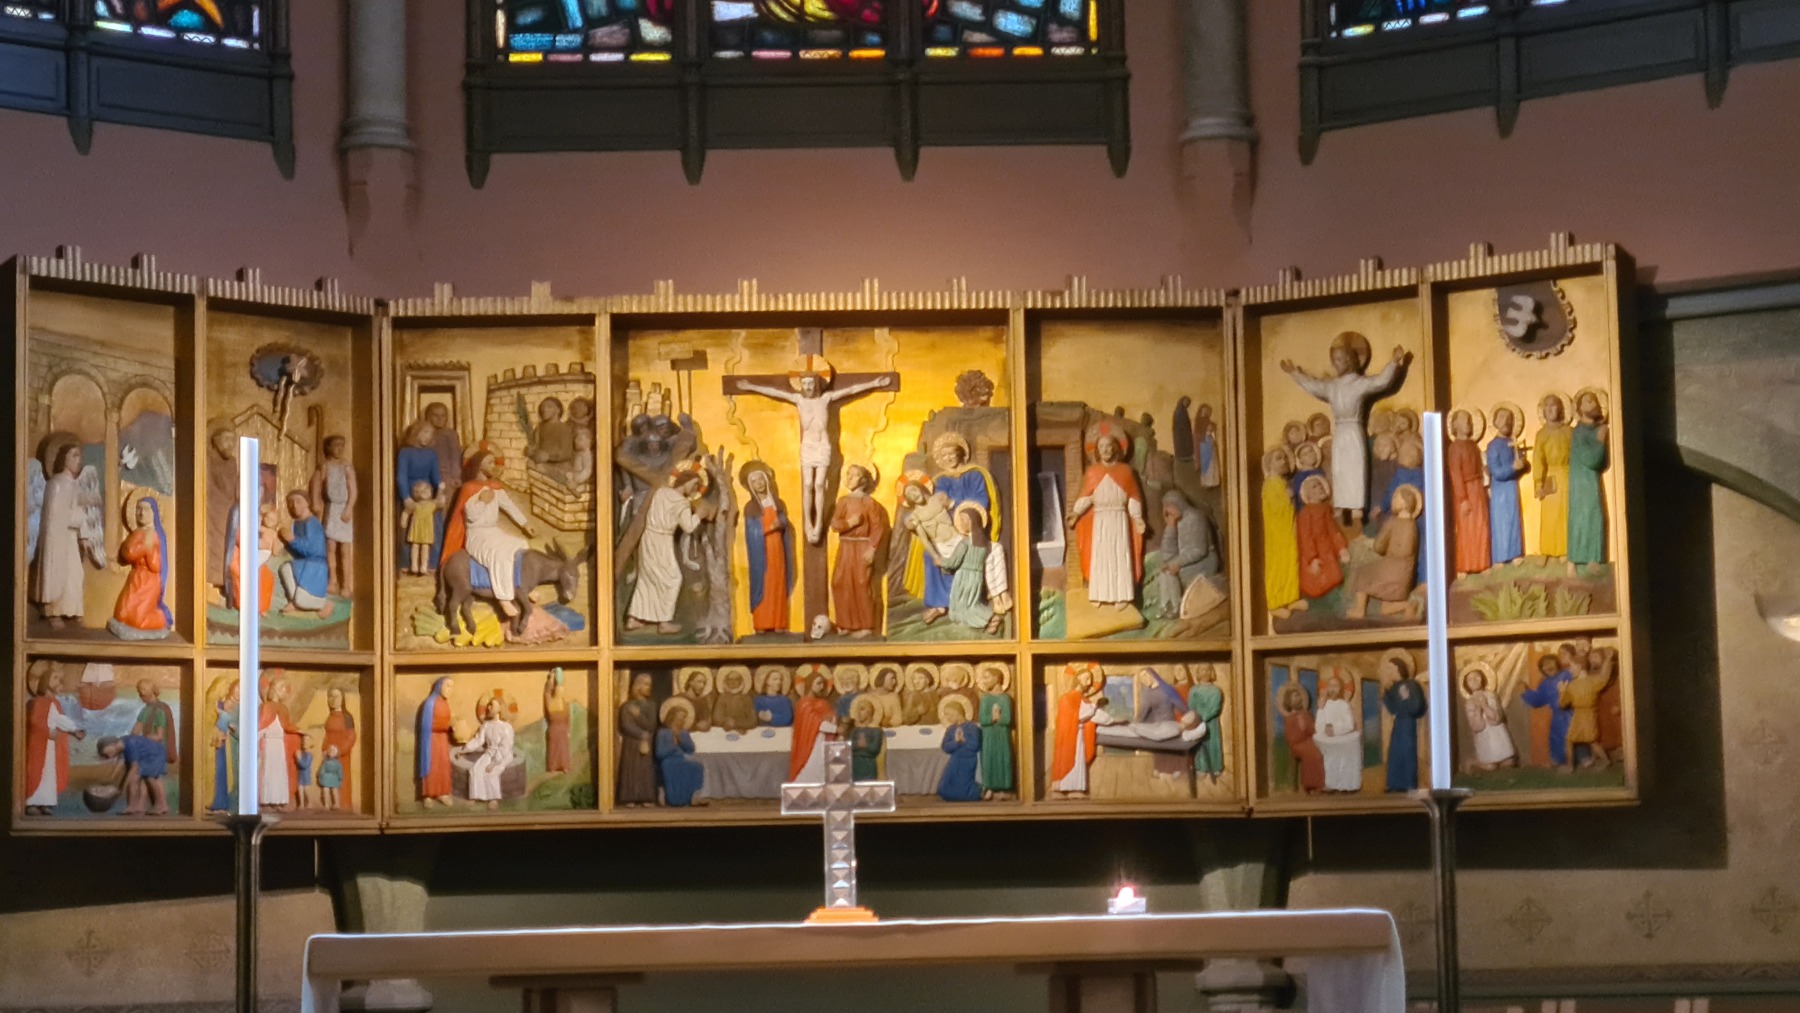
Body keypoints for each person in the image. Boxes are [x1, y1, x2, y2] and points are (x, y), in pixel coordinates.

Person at [731, 365, 895, 544]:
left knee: (819, 484)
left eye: (811, 383)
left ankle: (817, 525)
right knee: (808, 483)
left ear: (817, 384)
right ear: (800, 385)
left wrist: (875, 383)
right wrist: (750, 386)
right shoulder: (799, 400)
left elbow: (851, 390)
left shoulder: (825, 399)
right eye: (805, 383)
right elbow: (775, 392)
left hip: (823, 446)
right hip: (808, 446)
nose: (808, 387)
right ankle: (808, 524)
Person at [1281, 332, 1410, 525]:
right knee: (1339, 471)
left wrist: (1394, 362)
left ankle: (1357, 511)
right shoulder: (1332, 386)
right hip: (1340, 431)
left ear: (1350, 360)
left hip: (1353, 430)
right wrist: (1294, 373)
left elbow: (1381, 381)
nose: (1337, 364)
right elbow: (1314, 385)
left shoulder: (1359, 384)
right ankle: (1341, 510)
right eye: (1334, 360)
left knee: (1355, 470)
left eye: (1340, 359)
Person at [921, 432, 1001, 623]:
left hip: (969, 526)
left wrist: (955, 506)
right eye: (944, 455)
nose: (949, 458)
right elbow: (935, 506)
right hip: (946, 529)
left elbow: (981, 500)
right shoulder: (941, 480)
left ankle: (966, 599)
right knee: (930, 555)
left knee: (961, 554)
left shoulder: (974, 475)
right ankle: (940, 604)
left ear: (960, 454)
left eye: (952, 453)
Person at [625, 463, 713, 635]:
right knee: (673, 579)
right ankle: (664, 622)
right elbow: (688, 527)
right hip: (662, 540)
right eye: (695, 484)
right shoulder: (682, 503)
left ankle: (634, 618)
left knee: (647, 577)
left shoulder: (661, 492)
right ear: (687, 481)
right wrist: (699, 515)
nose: (695, 488)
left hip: (648, 538)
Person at [1066, 425, 1146, 610]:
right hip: (1100, 520)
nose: (1106, 450)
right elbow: (1087, 496)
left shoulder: (1126, 472)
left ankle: (1122, 595)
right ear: (1097, 450)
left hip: (1119, 520)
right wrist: (1076, 513)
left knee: (1120, 557)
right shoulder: (1093, 472)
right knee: (1101, 558)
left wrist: (1137, 517)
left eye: (1109, 446)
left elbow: (1133, 498)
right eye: (1102, 447)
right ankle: (1099, 593)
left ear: (1116, 448)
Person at [34, 443, 97, 630]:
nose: (79, 460)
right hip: (57, 540)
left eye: (79, 456)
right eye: (74, 456)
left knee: (75, 575)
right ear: (63, 459)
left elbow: (80, 511)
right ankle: (53, 611)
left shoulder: (75, 485)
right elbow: (55, 516)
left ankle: (72, 610)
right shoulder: (56, 484)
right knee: (57, 574)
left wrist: (83, 537)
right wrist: (77, 518)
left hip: (71, 539)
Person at [458, 476, 536, 621]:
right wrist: (482, 501)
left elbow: (509, 505)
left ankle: (522, 586)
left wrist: (524, 523)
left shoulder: (495, 488)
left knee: (521, 544)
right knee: (499, 554)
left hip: (493, 531)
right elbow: (471, 516)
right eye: (491, 464)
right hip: (477, 535)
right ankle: (503, 597)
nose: (495, 468)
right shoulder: (471, 489)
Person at [829, 463, 891, 637]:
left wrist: (872, 549)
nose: (849, 478)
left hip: (862, 546)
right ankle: (845, 624)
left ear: (863, 480)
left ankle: (866, 626)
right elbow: (835, 524)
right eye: (848, 474)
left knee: (862, 584)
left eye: (854, 475)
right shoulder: (843, 501)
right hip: (846, 546)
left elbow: (878, 528)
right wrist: (850, 523)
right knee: (839, 582)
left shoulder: (869, 503)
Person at [921, 504, 999, 634]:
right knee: (972, 603)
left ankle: (989, 619)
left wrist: (940, 562)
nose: (961, 523)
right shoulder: (984, 543)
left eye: (964, 520)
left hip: (963, 579)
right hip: (976, 578)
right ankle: (990, 619)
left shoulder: (965, 542)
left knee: (961, 610)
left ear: (972, 522)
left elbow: (953, 562)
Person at [1351, 483, 1423, 620]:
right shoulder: (1413, 526)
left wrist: (1374, 545)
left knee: (1362, 573)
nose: (1393, 501)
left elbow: (1379, 547)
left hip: (1392, 570)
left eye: (1396, 498)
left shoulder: (1392, 522)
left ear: (1404, 503)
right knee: (1385, 609)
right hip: (1404, 575)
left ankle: (1359, 610)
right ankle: (1409, 605)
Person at [108, 493, 173, 640]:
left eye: (146, 509)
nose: (141, 513)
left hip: (149, 582)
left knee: (139, 620)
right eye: (138, 509)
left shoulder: (156, 535)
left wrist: (146, 551)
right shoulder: (138, 532)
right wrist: (143, 548)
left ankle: (162, 618)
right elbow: (127, 553)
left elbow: (156, 566)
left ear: (154, 513)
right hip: (136, 579)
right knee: (122, 614)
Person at [740, 461, 794, 635]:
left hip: (777, 548)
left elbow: (784, 522)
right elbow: (751, 532)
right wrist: (769, 527)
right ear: (750, 486)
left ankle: (779, 622)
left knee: (778, 583)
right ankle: (762, 623)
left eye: (761, 479)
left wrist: (782, 523)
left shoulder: (777, 503)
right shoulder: (751, 507)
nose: (759, 483)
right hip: (761, 553)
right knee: (764, 584)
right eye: (755, 481)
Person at [1147, 490, 1219, 619]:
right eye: (1165, 507)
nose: (1166, 510)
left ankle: (1176, 606)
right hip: (1185, 560)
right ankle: (1166, 606)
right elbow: (1167, 555)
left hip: (1204, 561)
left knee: (1172, 572)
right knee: (1165, 572)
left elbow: (1199, 550)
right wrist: (1170, 527)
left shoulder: (1195, 518)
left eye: (1169, 506)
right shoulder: (1176, 521)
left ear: (1178, 504)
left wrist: (1176, 564)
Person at [24, 663, 84, 815]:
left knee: (49, 774)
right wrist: (47, 732)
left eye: (59, 679)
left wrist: (75, 730)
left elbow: (60, 720)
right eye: (55, 678)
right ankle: (32, 803)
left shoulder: (54, 702)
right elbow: (34, 721)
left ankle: (46, 803)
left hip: (51, 747)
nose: (59, 682)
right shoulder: (38, 702)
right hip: (39, 746)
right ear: (46, 681)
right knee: (37, 773)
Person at [1049, 664, 1116, 798]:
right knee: (1069, 760)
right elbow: (1080, 715)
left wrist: (1110, 720)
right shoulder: (1066, 698)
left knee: (1078, 760)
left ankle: (1075, 789)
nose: (1090, 682)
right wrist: (1094, 707)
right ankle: (1060, 789)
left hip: (1078, 734)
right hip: (1068, 736)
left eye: (1091, 679)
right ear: (1078, 678)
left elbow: (1094, 715)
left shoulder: (1083, 699)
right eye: (1087, 678)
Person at [309, 434, 358, 598]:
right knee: (330, 546)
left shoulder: (346, 467)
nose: (339, 449)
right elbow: (316, 484)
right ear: (329, 448)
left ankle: (346, 584)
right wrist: (316, 502)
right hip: (331, 509)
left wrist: (349, 507)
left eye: (341, 445)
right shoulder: (324, 466)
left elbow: (353, 489)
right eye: (336, 445)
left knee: (345, 549)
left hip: (344, 508)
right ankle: (332, 580)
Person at [1568, 389, 1610, 574]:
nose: (1594, 405)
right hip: (1581, 482)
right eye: (1588, 401)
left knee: (1595, 515)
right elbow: (1591, 459)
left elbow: (1602, 462)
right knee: (1581, 517)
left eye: (1595, 401)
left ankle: (1593, 557)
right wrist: (1600, 440)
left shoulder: (1597, 428)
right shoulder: (1578, 432)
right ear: (1579, 408)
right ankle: (1574, 560)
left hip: (1591, 481)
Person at [278, 491, 336, 619]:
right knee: (285, 568)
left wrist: (292, 540)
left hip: (315, 567)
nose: (294, 505)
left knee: (303, 599)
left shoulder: (312, 523)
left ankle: (324, 604)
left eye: (298, 501)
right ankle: (295, 602)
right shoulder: (296, 524)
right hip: (303, 563)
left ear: (307, 503)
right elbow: (297, 550)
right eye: (291, 503)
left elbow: (313, 549)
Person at [395, 421, 444, 571]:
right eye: (424, 433)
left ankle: (431, 563)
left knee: (434, 525)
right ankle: (408, 563)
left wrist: (440, 491)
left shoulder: (431, 454)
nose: (427, 437)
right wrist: (406, 497)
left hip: (427, 493)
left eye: (430, 434)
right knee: (408, 528)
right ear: (416, 433)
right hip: (411, 492)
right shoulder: (405, 453)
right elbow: (401, 476)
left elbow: (436, 476)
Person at [1447, 409, 1491, 575]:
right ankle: (1464, 566)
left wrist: (1486, 485)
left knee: (1481, 526)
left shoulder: (1473, 446)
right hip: (1465, 490)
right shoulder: (1454, 448)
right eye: (1465, 421)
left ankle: (1482, 563)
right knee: (1466, 529)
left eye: (1470, 421)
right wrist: (1462, 499)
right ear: (1455, 425)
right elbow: (1456, 474)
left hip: (1478, 488)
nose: (1468, 424)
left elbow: (1480, 467)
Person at [1261, 447, 1302, 622]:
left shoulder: (1282, 483)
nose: (1284, 461)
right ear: (1269, 464)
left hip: (1286, 530)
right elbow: (1274, 509)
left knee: (1291, 562)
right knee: (1277, 566)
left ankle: (1290, 597)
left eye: (1285, 458)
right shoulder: (1270, 484)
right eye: (1279, 458)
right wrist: (1287, 498)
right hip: (1277, 533)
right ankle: (1274, 603)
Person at [1486, 403, 1528, 569]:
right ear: (1495, 422)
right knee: (1500, 522)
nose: (1506, 421)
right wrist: (1512, 468)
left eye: (1509, 418)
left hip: (1511, 487)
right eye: (1502, 417)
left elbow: (1518, 462)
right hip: (1500, 489)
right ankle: (1500, 556)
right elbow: (1495, 471)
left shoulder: (1513, 442)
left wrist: (1522, 463)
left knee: (1513, 520)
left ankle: (1515, 553)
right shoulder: (1493, 446)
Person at [1532, 393, 1573, 560]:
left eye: (1553, 405)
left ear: (1561, 409)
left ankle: (1564, 550)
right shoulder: (1541, 434)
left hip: (1567, 474)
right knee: (1549, 514)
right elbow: (1537, 459)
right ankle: (1547, 550)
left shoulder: (1569, 431)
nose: (1550, 409)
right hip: (1549, 475)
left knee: (1565, 513)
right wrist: (1538, 483)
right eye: (1546, 406)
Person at [1295, 474, 1348, 600]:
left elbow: (1333, 531)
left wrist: (1341, 548)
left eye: (1320, 485)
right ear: (1308, 495)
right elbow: (1306, 537)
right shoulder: (1306, 514)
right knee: (1316, 582)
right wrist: (1312, 558)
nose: (1320, 487)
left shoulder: (1326, 510)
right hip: (1314, 552)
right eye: (1314, 486)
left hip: (1327, 550)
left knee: (1336, 576)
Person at [1561, 647, 1615, 770]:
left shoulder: (1592, 682)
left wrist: (1607, 659)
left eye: (1571, 666)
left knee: (1591, 740)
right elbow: (1563, 704)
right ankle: (1570, 766)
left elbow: (1604, 676)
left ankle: (1605, 761)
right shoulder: (1572, 685)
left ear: (1579, 667)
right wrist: (1562, 691)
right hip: (1578, 716)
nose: (1570, 670)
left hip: (1588, 715)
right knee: (1571, 740)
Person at [460, 697, 516, 811]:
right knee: (475, 770)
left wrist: (494, 763)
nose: (489, 708)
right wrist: (465, 749)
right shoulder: (486, 725)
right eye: (489, 705)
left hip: (503, 755)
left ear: (500, 708)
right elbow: (478, 740)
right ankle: (476, 796)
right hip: (490, 753)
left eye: (492, 705)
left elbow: (505, 747)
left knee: (492, 773)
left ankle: (493, 798)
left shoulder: (506, 727)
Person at [1381, 654, 1426, 793]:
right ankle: (1394, 784)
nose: (1388, 672)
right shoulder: (1394, 687)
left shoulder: (1411, 685)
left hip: (1407, 723)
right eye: (1387, 669)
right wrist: (1386, 695)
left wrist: (1406, 698)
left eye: (1390, 668)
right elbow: (1393, 709)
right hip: (1398, 724)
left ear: (1398, 669)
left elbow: (1417, 707)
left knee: (1407, 752)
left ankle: (1409, 784)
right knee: (1395, 753)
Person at [1462, 665, 1517, 771]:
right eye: (1470, 679)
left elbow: (1497, 718)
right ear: (1466, 684)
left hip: (1497, 733)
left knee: (1509, 762)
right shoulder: (1470, 702)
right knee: (1491, 767)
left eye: (1477, 677)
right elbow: (1476, 727)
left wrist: (1484, 705)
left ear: (1482, 679)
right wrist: (1478, 710)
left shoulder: (1491, 695)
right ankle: (1473, 763)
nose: (1474, 680)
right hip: (1484, 736)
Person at [616, 673, 658, 807]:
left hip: (646, 742)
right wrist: (640, 734)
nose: (648, 687)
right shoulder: (626, 706)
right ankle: (629, 797)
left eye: (650, 685)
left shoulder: (651, 705)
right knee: (631, 770)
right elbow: (625, 725)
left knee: (645, 770)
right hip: (632, 742)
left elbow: (651, 725)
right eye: (645, 684)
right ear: (637, 686)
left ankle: (646, 797)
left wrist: (638, 715)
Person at [655, 699, 706, 807]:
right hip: (667, 761)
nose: (682, 721)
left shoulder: (683, 733)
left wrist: (681, 740)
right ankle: (673, 799)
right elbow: (659, 753)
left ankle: (692, 797)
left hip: (681, 760)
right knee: (670, 768)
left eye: (684, 718)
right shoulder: (663, 732)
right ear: (672, 717)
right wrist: (672, 746)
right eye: (680, 718)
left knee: (697, 767)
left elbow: (691, 749)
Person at [1314, 677, 1361, 793]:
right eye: (1330, 686)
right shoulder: (1325, 705)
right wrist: (1321, 711)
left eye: (1335, 686)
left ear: (1340, 689)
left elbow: (1349, 724)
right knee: (1330, 760)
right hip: (1330, 740)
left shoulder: (1344, 705)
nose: (1332, 689)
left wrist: (1335, 729)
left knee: (1345, 760)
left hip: (1344, 738)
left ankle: (1347, 786)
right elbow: (1319, 726)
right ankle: (1331, 784)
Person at [789, 673, 837, 782]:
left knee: (822, 767)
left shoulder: (823, 703)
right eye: (818, 683)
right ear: (810, 684)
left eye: (823, 684)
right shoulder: (804, 703)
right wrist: (834, 729)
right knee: (810, 765)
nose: (821, 687)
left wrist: (833, 721)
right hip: (811, 741)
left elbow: (831, 717)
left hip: (824, 740)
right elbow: (814, 722)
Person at [975, 664, 1014, 799]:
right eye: (983, 678)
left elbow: (1008, 719)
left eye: (987, 677)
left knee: (1003, 758)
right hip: (988, 735)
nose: (984, 681)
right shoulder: (986, 698)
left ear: (996, 678)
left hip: (1002, 734)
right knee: (989, 759)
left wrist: (999, 718)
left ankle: (1004, 787)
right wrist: (992, 718)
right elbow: (982, 719)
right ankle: (989, 786)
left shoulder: (1005, 698)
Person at [417, 676, 457, 806]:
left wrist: (453, 725)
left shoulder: (445, 703)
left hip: (442, 739)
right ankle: (428, 794)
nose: (450, 689)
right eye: (447, 686)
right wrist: (447, 725)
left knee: (443, 765)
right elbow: (427, 724)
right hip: (431, 740)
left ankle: (442, 793)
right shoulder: (430, 703)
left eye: (452, 687)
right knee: (432, 765)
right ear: (439, 687)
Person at [206, 425, 236, 590]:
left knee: (227, 543)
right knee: (215, 543)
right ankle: (213, 579)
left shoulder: (232, 462)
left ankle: (226, 580)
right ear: (215, 441)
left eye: (233, 440)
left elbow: (232, 486)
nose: (230, 444)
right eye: (226, 439)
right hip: (213, 508)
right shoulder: (208, 459)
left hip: (229, 510)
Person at [1279, 684, 1324, 795]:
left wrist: (1308, 728)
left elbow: (1313, 729)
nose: (1298, 699)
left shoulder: (1306, 715)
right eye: (1295, 697)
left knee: (1322, 750)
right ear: (1289, 701)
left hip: (1309, 741)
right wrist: (1302, 732)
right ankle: (1310, 786)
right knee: (1313, 754)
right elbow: (1290, 737)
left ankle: (1323, 784)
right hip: (1297, 745)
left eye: (1298, 696)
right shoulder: (1289, 719)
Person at [937, 699, 984, 802]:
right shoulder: (951, 729)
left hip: (968, 761)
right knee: (945, 788)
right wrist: (956, 742)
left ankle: (977, 793)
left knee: (965, 785)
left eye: (949, 714)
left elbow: (975, 745)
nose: (947, 718)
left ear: (957, 713)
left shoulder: (972, 728)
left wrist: (964, 740)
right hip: (955, 760)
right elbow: (945, 747)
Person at [206, 676, 240, 814]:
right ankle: (218, 802)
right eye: (237, 688)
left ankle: (230, 806)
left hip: (232, 747)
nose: (239, 692)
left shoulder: (241, 708)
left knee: (232, 777)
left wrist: (233, 727)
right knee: (219, 774)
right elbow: (210, 723)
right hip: (219, 746)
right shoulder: (217, 704)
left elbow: (245, 731)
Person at [1187, 665, 1226, 783]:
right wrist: (1195, 719)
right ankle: (1201, 768)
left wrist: (1203, 718)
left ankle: (1215, 767)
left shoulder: (1216, 691)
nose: (1205, 672)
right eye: (1202, 670)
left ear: (1212, 673)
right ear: (1198, 673)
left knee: (1213, 745)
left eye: (1208, 670)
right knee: (1199, 745)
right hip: (1197, 723)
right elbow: (1191, 706)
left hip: (1211, 724)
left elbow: (1215, 708)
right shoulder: (1194, 690)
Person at [322, 686, 357, 811]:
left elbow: (352, 736)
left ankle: (344, 805)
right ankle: (330, 804)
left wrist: (340, 750)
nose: (333, 699)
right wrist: (324, 750)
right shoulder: (330, 716)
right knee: (328, 780)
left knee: (342, 778)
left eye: (336, 696)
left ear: (342, 699)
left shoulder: (347, 717)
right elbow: (327, 735)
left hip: (342, 755)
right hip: (329, 755)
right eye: (330, 696)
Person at [400, 480, 439, 576]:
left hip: (426, 529)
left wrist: (441, 490)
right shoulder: (415, 505)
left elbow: (440, 502)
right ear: (416, 493)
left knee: (425, 547)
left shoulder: (431, 505)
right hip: (416, 528)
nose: (425, 492)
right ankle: (414, 566)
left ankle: (423, 567)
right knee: (415, 546)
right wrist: (404, 521)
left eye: (427, 490)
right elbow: (406, 511)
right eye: (422, 491)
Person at [528, 397, 576, 473]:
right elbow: (535, 445)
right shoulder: (539, 427)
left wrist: (548, 457)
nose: (544, 410)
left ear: (558, 410)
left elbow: (566, 453)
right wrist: (531, 451)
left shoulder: (564, 429)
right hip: (540, 463)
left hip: (558, 465)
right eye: (542, 407)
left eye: (549, 407)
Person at [847, 698, 886, 781]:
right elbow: (849, 746)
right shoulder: (855, 730)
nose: (858, 712)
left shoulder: (876, 730)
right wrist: (858, 745)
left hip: (868, 763)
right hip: (855, 763)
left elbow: (875, 748)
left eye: (862, 709)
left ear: (869, 712)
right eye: (857, 709)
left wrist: (865, 745)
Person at [712, 666, 757, 732]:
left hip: (743, 733)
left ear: (741, 681)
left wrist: (736, 723)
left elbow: (753, 720)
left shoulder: (746, 698)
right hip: (724, 732)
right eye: (730, 679)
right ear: (726, 681)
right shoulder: (722, 697)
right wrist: (726, 721)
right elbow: (717, 718)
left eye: (736, 679)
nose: (733, 682)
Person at [544, 668, 572, 773]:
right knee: (554, 748)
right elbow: (547, 692)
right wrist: (551, 679)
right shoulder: (551, 702)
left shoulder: (564, 704)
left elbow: (568, 719)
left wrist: (568, 730)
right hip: (555, 728)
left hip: (561, 729)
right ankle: (553, 766)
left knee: (563, 748)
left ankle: (563, 766)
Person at [1290, 440, 1326, 508]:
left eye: (1311, 451)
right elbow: (1300, 497)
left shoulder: (1320, 471)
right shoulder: (1299, 476)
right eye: (1305, 454)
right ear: (1300, 460)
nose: (1310, 455)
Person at [1194, 402, 1221, 488]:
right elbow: (1198, 433)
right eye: (1204, 410)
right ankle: (1206, 482)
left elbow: (1213, 431)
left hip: (1209, 443)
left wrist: (1211, 435)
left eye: (1207, 411)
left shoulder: (1208, 421)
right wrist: (1206, 434)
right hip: (1204, 444)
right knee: (1206, 463)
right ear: (1201, 410)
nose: (1206, 412)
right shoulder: (1198, 421)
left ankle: (1212, 482)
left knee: (1212, 463)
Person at [318, 745, 344, 811]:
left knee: (334, 791)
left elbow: (339, 771)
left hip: (334, 778)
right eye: (330, 750)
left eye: (333, 751)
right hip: (326, 778)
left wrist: (340, 778)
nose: (331, 752)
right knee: (325, 790)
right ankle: (326, 804)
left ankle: (336, 804)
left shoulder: (338, 763)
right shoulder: (325, 762)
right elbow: (322, 770)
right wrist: (320, 775)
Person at [295, 734, 317, 810]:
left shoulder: (309, 755)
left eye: (307, 740)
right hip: (300, 775)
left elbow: (305, 765)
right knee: (300, 789)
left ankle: (309, 802)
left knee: (306, 790)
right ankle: (301, 804)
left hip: (306, 775)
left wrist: (299, 758)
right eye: (303, 740)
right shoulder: (302, 753)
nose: (304, 742)